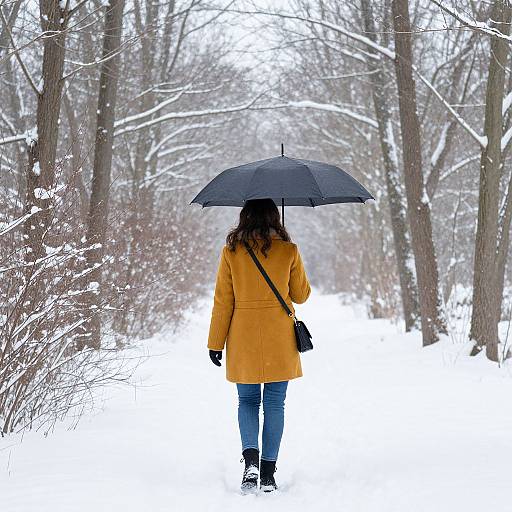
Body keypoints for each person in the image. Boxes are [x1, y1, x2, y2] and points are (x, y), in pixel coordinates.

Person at [207, 198, 312, 494]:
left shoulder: (231, 252)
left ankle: (249, 463)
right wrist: (290, 256)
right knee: (275, 403)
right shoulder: (288, 250)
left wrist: (215, 342)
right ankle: (267, 473)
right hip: (279, 336)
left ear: (244, 217)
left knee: (248, 402)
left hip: (243, 336)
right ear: (274, 217)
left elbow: (223, 302)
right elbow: (301, 295)